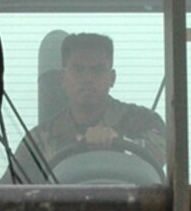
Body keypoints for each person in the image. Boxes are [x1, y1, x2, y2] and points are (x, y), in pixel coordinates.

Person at [12, 32, 168, 179]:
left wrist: (119, 140)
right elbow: (7, 193)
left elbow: (162, 155)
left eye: (97, 70)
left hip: (131, 207)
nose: (87, 78)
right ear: (63, 78)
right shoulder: (39, 140)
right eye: (78, 69)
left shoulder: (145, 122)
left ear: (112, 78)